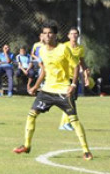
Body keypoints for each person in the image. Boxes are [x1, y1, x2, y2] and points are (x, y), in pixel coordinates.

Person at [13, 21, 93, 161]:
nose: (47, 35)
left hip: (63, 89)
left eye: (50, 33)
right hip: (47, 90)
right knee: (32, 114)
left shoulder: (63, 49)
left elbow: (75, 67)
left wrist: (73, 85)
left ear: (55, 35)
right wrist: (35, 87)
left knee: (73, 120)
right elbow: (43, 70)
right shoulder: (42, 50)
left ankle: (86, 150)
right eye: (44, 33)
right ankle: (26, 145)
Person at [59, 27, 87, 130]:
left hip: (75, 77)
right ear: (68, 35)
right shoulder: (64, 46)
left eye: (76, 34)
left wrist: (86, 73)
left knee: (72, 100)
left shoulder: (80, 49)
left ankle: (65, 124)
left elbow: (82, 62)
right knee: (69, 100)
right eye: (72, 33)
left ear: (78, 35)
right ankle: (65, 124)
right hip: (65, 76)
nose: (74, 35)